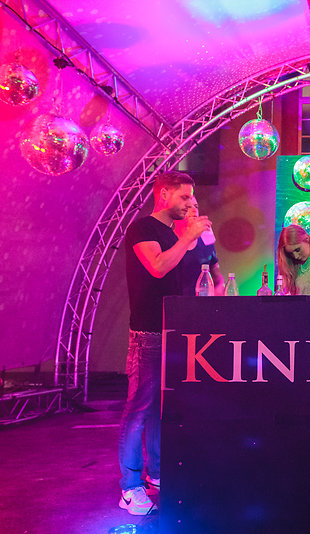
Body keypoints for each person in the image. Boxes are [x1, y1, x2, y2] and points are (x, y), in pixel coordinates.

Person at [119, 170, 211, 515]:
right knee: (138, 411)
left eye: (192, 196)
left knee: (161, 410)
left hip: (172, 333)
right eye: (184, 196)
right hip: (147, 334)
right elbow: (157, 267)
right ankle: (129, 488)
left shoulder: (174, 235)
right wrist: (187, 238)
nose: (190, 202)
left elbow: (193, 275)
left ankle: (156, 474)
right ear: (163, 195)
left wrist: (195, 240)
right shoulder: (143, 228)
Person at [175, 197, 224, 296]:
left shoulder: (206, 240)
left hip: (200, 302)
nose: (194, 210)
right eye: (189, 207)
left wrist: (219, 289)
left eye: (196, 206)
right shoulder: (169, 239)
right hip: (175, 302)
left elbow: (217, 277)